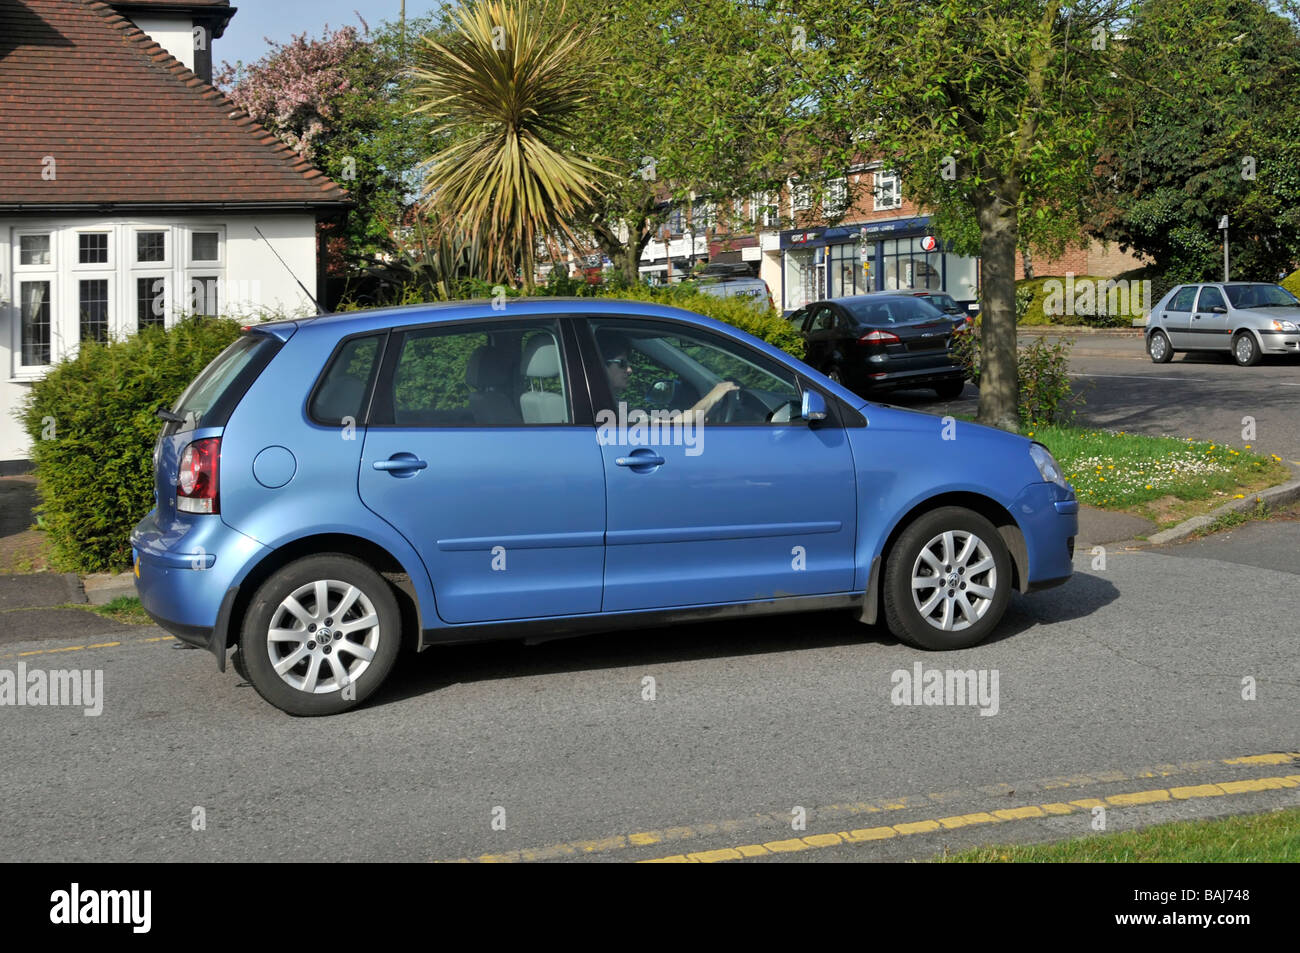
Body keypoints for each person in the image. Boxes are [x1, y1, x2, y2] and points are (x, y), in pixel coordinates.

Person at [597, 329, 738, 420]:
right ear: (601, 366)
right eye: (622, 363)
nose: (629, 370)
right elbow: (675, 427)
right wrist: (714, 396)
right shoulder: (609, 411)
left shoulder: (611, 407)